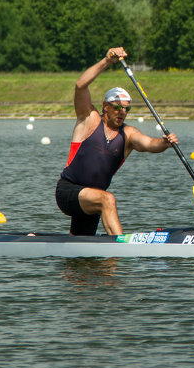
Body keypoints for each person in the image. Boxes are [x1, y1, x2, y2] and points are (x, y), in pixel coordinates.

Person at [55, 47, 177, 236]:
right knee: (108, 200)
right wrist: (107, 61)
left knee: (80, 248)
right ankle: (121, 250)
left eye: (126, 109)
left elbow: (150, 144)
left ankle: (37, 241)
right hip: (68, 191)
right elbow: (80, 85)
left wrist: (165, 143)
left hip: (93, 197)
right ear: (105, 106)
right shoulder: (89, 118)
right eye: (117, 107)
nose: (122, 112)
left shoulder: (128, 135)